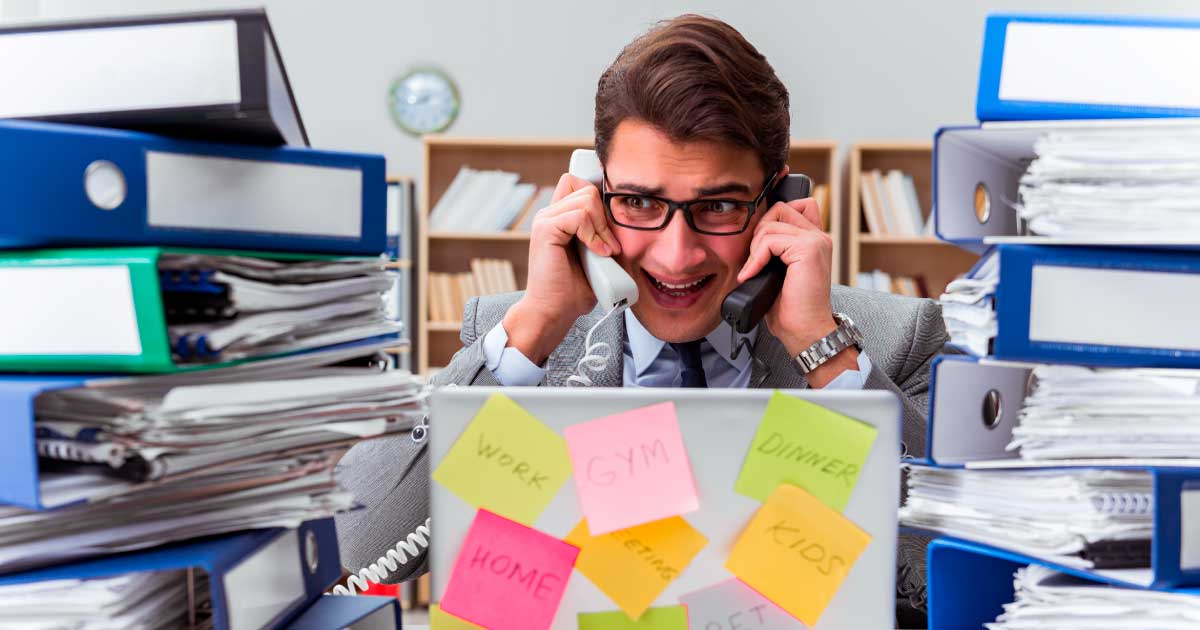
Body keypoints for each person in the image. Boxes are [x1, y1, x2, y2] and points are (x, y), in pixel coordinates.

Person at [336, 14, 946, 626]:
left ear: (779, 205)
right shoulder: (514, 343)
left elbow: (962, 577)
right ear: (592, 193)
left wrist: (824, 354)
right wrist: (536, 329)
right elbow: (357, 550)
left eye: (720, 205)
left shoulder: (894, 342)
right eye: (639, 202)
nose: (675, 254)